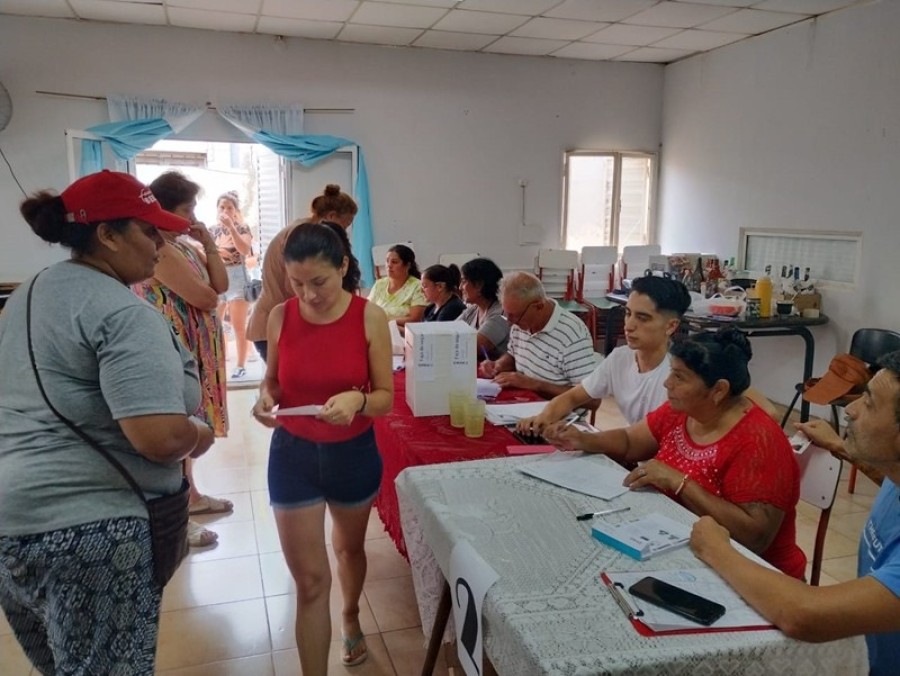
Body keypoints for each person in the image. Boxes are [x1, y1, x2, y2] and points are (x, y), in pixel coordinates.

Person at [0, 170, 215, 674]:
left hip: (14, 524)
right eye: (148, 231)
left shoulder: (30, 294)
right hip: (91, 533)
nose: (160, 245)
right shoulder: (121, 312)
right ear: (108, 235)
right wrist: (200, 437)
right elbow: (160, 437)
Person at [690, 350, 900, 675]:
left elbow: (803, 615)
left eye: (869, 403)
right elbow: (889, 479)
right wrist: (840, 447)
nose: (851, 410)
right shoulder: (896, 475)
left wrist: (715, 547)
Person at [545, 327, 806, 579]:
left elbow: (754, 538)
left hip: (753, 574)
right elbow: (629, 440)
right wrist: (583, 439)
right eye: (671, 372)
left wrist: (678, 481)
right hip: (683, 547)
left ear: (719, 390)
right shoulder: (682, 411)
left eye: (680, 377)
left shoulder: (758, 442)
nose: (667, 383)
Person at [251, 222, 393, 672]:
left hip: (352, 454)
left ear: (344, 268)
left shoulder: (369, 317)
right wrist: (266, 397)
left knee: (349, 550)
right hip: (292, 456)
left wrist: (359, 399)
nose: (308, 295)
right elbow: (272, 380)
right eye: (297, 283)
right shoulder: (281, 317)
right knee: (310, 582)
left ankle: (350, 615)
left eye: (319, 282)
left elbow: (386, 397)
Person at [517, 274, 778, 437]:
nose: (629, 325)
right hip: (642, 457)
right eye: (628, 313)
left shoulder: (684, 371)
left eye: (642, 318)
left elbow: (767, 411)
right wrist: (542, 419)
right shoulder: (619, 358)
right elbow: (574, 396)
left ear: (671, 326)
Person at [132, 171, 233, 547]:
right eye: (187, 207)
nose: (193, 214)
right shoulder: (156, 247)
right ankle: (177, 518)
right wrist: (210, 294)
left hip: (195, 346)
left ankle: (190, 497)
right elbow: (206, 298)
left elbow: (221, 285)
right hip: (175, 346)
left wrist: (207, 242)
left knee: (193, 421)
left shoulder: (186, 244)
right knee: (179, 425)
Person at [247, 184, 358, 362]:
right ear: (331, 216)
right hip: (274, 325)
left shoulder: (302, 228)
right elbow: (292, 286)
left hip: (279, 323)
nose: (344, 232)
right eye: (346, 225)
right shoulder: (300, 235)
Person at [479, 271, 596, 399]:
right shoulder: (520, 323)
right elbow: (513, 355)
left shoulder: (572, 335)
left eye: (515, 316)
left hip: (560, 414)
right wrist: (499, 365)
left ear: (539, 306)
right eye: (507, 314)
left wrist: (534, 385)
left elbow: (592, 399)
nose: (510, 323)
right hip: (525, 402)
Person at [210, 190, 254, 378]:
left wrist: (232, 228)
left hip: (237, 278)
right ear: (217, 209)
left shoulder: (243, 228)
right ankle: (218, 363)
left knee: (238, 325)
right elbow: (207, 253)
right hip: (217, 276)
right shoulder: (212, 230)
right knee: (215, 324)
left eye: (230, 207)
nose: (226, 211)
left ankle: (240, 366)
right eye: (222, 207)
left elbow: (243, 250)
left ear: (236, 210)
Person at [457, 257, 509, 360]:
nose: (460, 287)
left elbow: (472, 348)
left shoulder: (501, 314)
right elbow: (449, 331)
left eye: (463, 281)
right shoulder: (473, 309)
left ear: (479, 285)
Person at [367, 244, 426, 327]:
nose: (389, 265)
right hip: (376, 329)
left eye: (394, 262)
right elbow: (367, 310)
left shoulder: (417, 286)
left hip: (402, 332)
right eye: (387, 261)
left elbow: (415, 319)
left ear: (407, 265)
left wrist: (387, 323)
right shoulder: (379, 284)